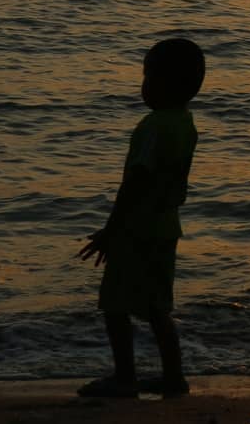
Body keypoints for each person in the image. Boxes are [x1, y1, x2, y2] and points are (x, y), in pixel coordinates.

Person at [77, 38, 205, 398]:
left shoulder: (152, 127)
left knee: (115, 305)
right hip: (166, 227)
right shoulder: (185, 124)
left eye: (147, 77)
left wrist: (110, 230)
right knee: (156, 307)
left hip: (137, 230)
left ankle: (124, 378)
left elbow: (135, 184)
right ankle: (173, 376)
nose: (143, 84)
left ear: (165, 83)